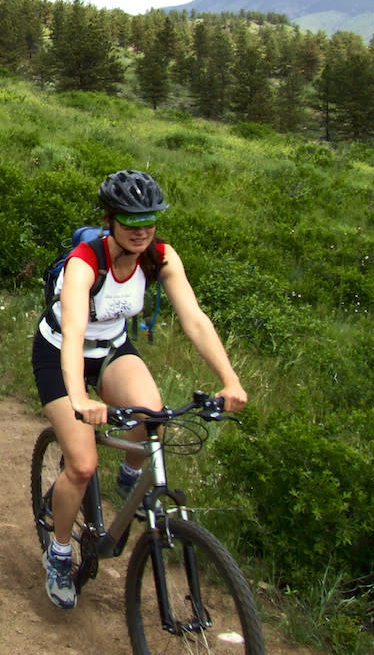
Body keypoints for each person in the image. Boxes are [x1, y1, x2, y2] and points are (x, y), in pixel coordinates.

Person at [30, 169, 248, 610]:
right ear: (110, 220)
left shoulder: (161, 257)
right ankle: (58, 553)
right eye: (131, 221)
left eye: (150, 220)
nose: (142, 230)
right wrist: (79, 399)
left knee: (153, 418)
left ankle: (130, 478)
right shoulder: (85, 262)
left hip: (111, 347)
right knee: (83, 465)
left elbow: (195, 320)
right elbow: (72, 332)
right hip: (59, 353)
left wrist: (231, 380)